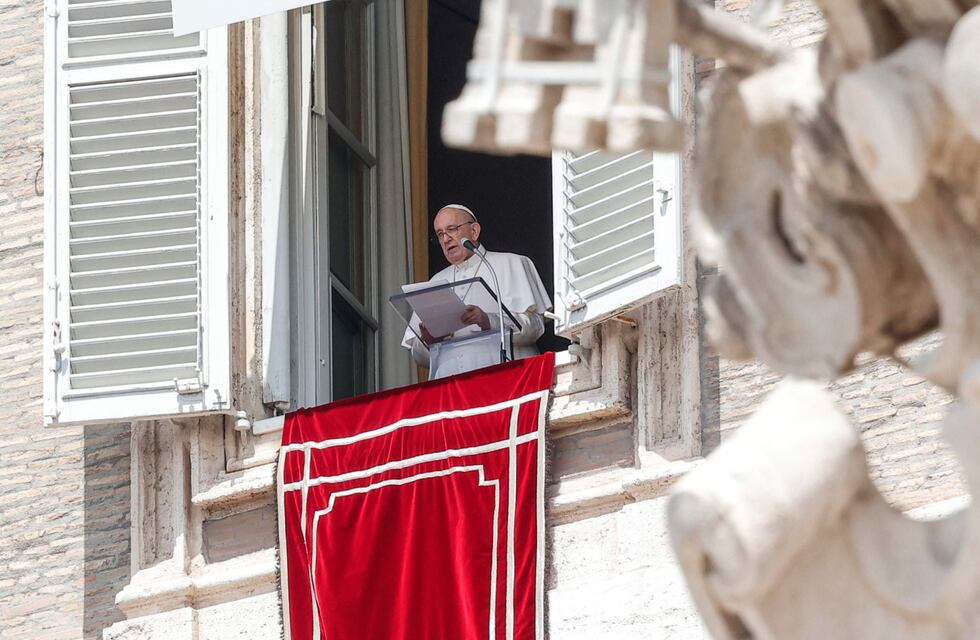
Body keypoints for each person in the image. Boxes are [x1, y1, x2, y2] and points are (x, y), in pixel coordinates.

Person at [401, 204, 551, 379]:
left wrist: (489, 321)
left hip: (506, 380)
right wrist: (429, 341)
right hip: (452, 388)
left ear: (474, 230)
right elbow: (418, 357)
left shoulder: (512, 263)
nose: (446, 239)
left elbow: (535, 327)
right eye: (440, 234)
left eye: (452, 229)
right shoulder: (435, 282)